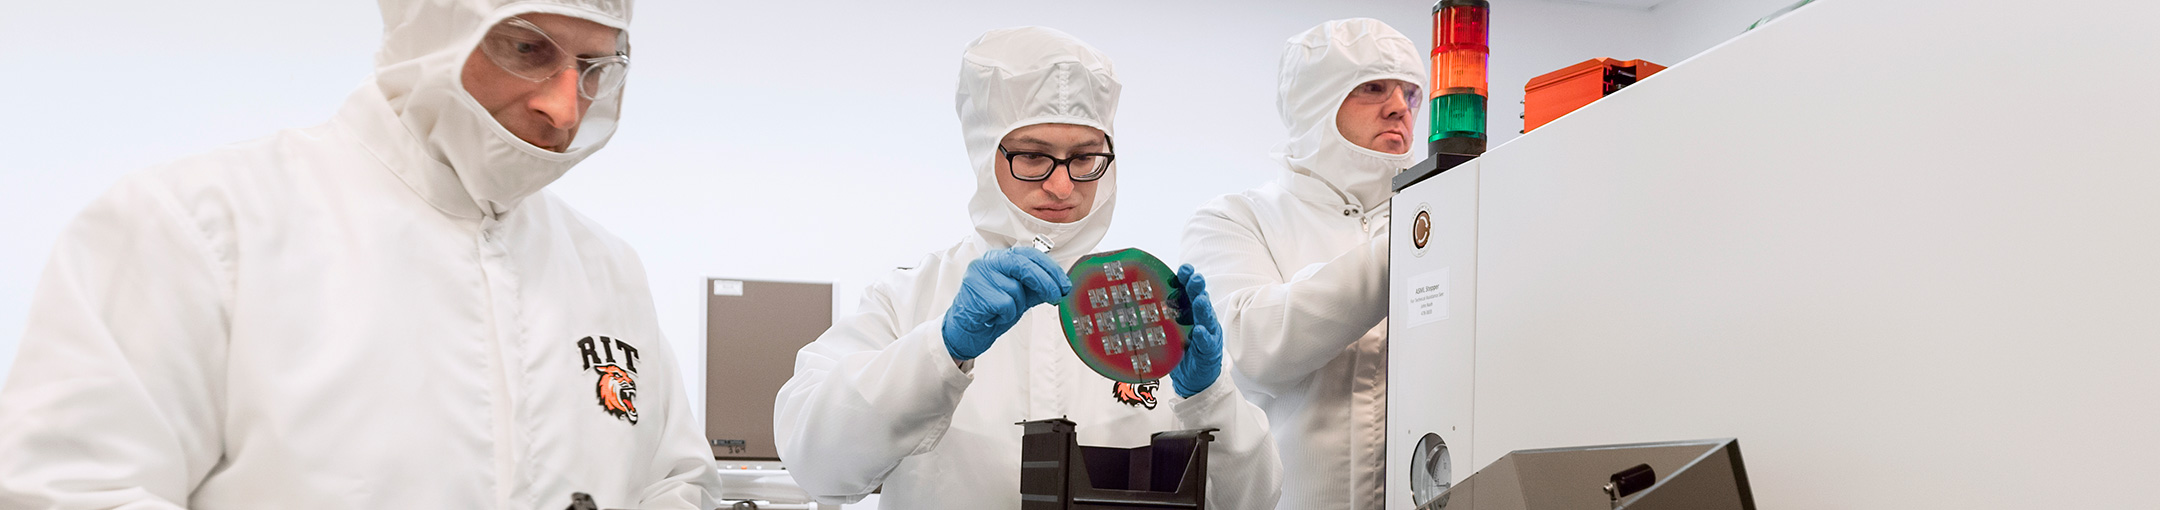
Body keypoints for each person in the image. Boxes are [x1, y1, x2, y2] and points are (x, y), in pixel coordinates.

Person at [0, 0, 721, 508]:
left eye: (593, 67)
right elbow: (73, 490)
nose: (565, 108)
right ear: (434, 28)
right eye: (528, 49)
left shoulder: (606, 270)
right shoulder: (200, 227)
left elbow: (672, 485)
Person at [774, 27, 1282, 509]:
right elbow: (818, 468)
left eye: (1085, 158)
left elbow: (1253, 500)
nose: (1062, 187)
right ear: (984, 156)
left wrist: (1209, 398)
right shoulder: (908, 299)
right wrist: (941, 348)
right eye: (1034, 156)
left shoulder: (1150, 307)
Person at [1178, 18, 1426, 510]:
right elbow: (1254, 348)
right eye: (1373, 88)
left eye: (1411, 93)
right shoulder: (1235, 219)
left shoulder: (1431, 211)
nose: (1400, 107)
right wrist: (1411, 243)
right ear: (1317, 103)